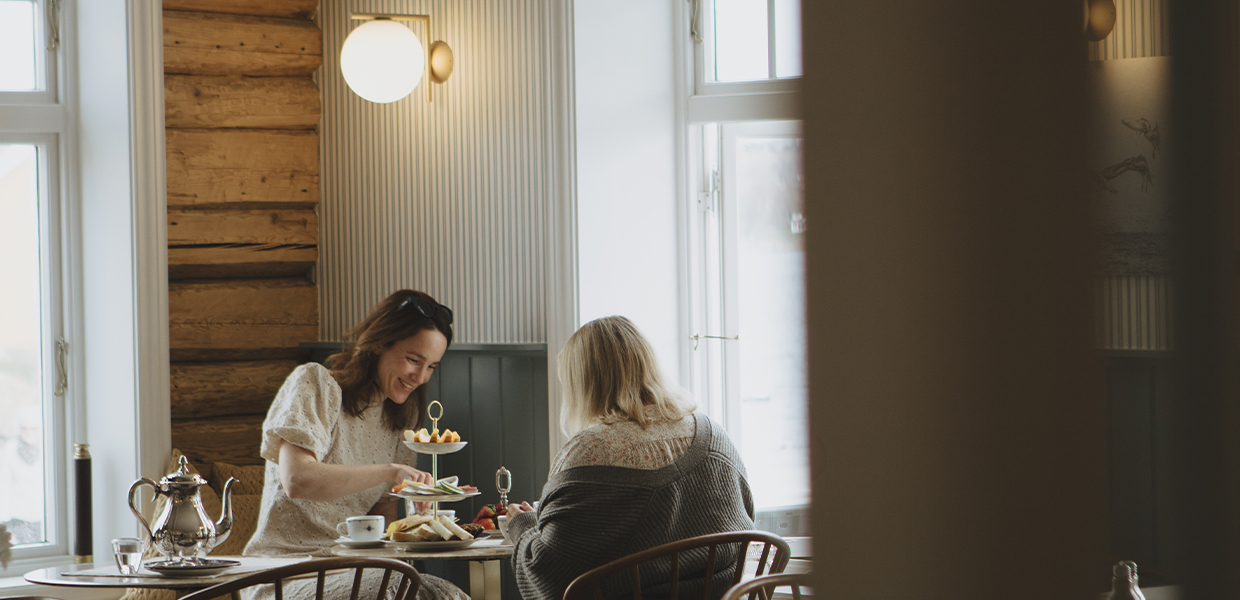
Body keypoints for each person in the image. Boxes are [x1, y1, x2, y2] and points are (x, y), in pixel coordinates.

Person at [505, 316, 755, 600]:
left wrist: (523, 525)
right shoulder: (714, 436)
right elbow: (743, 523)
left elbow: (549, 578)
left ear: (584, 384)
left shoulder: (587, 452)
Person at [244, 290, 469, 600]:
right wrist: (389, 472)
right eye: (413, 360)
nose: (420, 377)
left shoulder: (401, 417)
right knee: (395, 589)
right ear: (379, 343)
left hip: (358, 571)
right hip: (284, 574)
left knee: (445, 593)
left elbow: (386, 518)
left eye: (431, 366)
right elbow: (297, 479)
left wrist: (418, 520)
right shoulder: (316, 384)